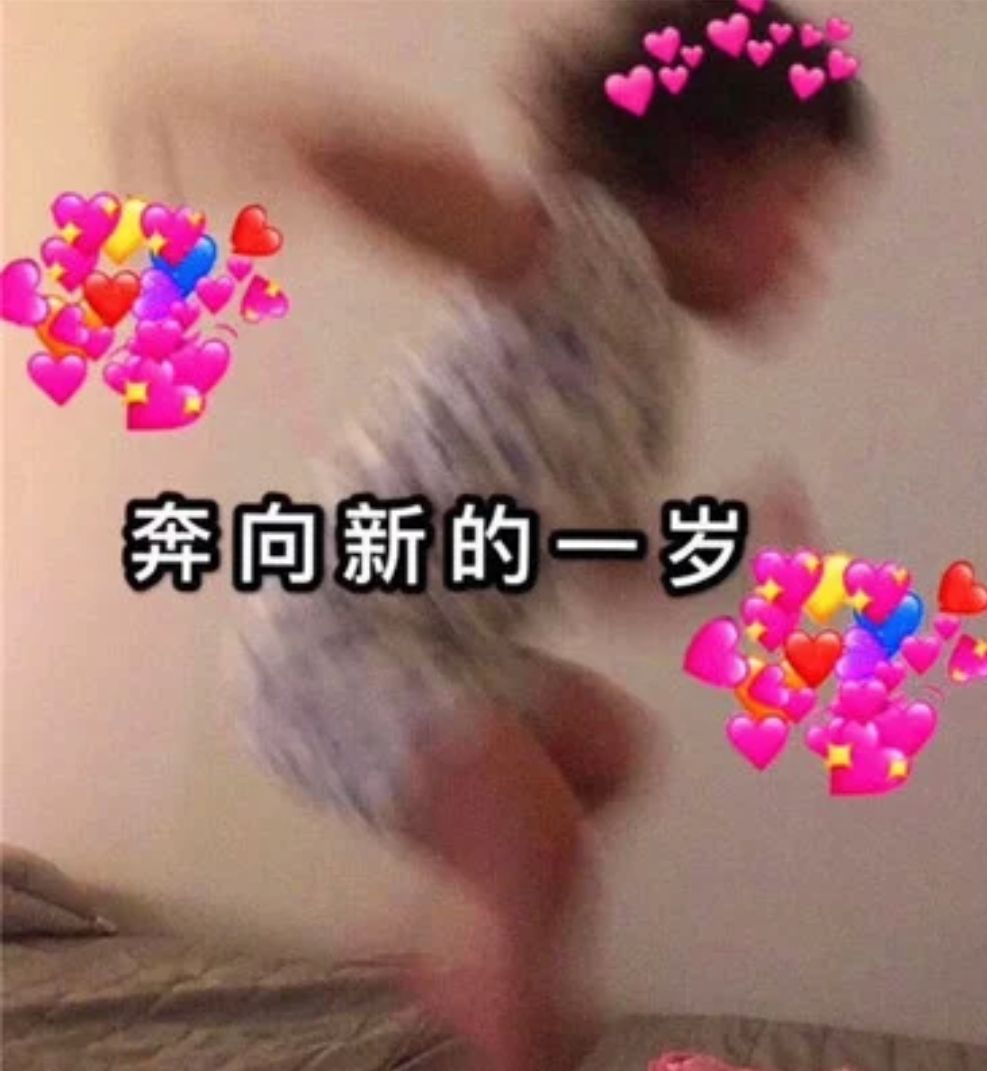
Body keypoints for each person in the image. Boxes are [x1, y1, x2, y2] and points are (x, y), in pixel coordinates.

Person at [116, 2, 875, 1068]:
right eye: (798, 205)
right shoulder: (595, 256)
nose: (811, 253)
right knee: (532, 833)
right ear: (704, 174)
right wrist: (288, 132)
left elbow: (604, 569)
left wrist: (728, 545)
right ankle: (516, 1024)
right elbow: (462, 203)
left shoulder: (641, 371)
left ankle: (461, 944)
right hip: (334, 642)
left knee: (604, 747)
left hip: (445, 646)